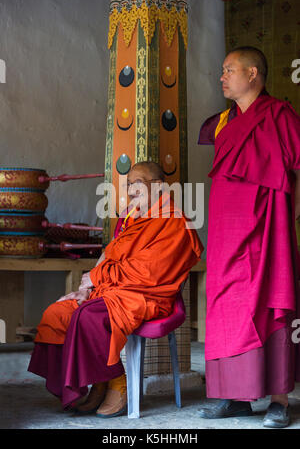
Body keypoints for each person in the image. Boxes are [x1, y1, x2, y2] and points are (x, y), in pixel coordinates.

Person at [28, 161, 203, 418]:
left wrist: (97, 277)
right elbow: (109, 254)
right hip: (113, 290)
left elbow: (148, 273)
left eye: (138, 184)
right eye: (129, 184)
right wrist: (87, 289)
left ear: (158, 186)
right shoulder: (131, 217)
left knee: (86, 316)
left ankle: (116, 380)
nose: (131, 190)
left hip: (147, 295)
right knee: (58, 314)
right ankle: (98, 381)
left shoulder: (174, 221)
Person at [197, 46, 300, 428]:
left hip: (269, 229)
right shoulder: (223, 122)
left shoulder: (280, 116)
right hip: (227, 232)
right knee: (227, 305)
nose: (222, 77)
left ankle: (279, 400)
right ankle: (235, 397)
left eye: (229, 70)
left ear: (253, 73)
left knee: (273, 302)